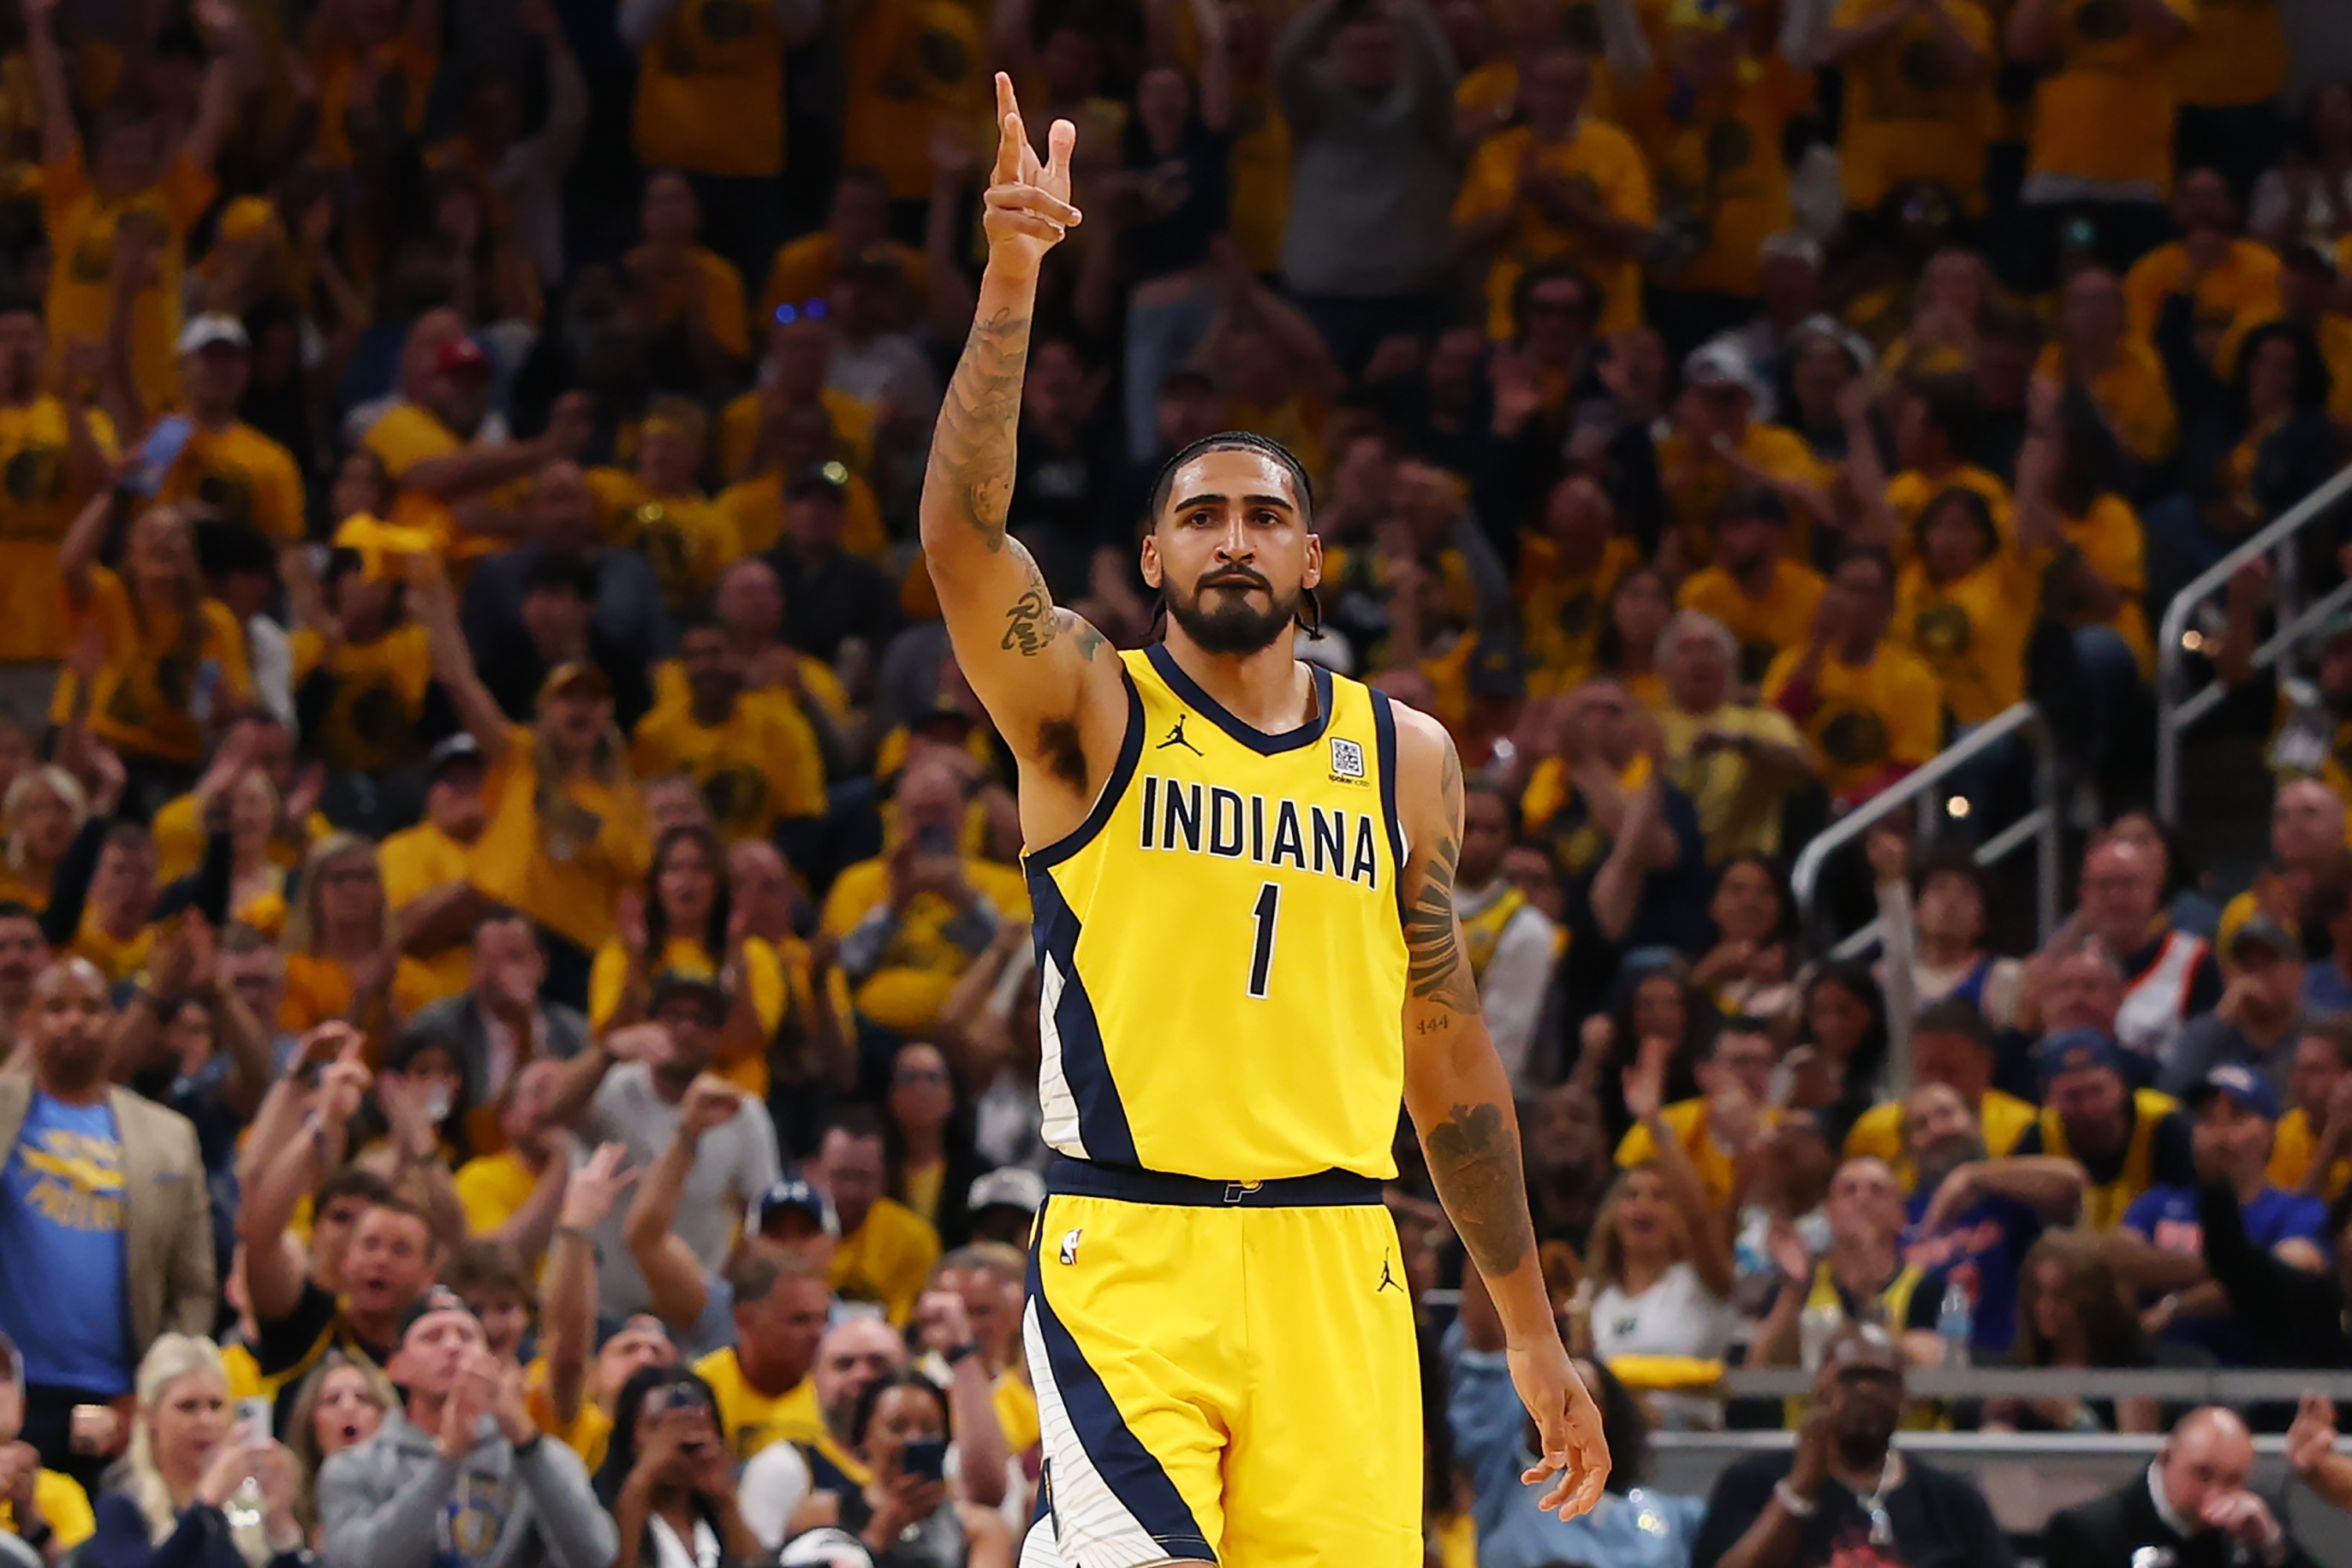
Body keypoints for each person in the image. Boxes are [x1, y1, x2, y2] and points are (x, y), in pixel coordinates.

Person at [915, 78, 1606, 1568]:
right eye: (1202, 516)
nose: (1234, 537)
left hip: (1341, 1264)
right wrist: (1014, 275)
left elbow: (1449, 1055)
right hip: (1132, 1250)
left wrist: (1532, 1330)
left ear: (1312, 562)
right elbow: (964, 544)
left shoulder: (1405, 758)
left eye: (1266, 516)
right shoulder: (1090, 707)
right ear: (1152, 560)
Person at [0, 958, 215, 1488]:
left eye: (91, 1008)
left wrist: (155, 1393)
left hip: (122, 1399)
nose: (74, 1021)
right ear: (27, 1022)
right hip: (10, 1397)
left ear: (115, 1023)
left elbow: (193, 1287)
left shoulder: (170, 1137)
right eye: (56, 1007)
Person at [314, 1287, 615, 1568]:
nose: (453, 1347)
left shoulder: (534, 1454)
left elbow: (595, 1555)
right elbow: (359, 1561)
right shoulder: (356, 1466)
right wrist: (446, 1462)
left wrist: (528, 1446)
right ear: (396, 1368)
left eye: (467, 1336)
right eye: (432, 1337)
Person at [1689, 1324, 2014, 1568]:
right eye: (1851, 1376)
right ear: (1819, 1388)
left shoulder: (1952, 1501)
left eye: (1882, 1378)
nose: (1866, 1390)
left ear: (1905, 1397)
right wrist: (1799, 1491)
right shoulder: (1753, 1483)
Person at [79, 1334, 307, 1568]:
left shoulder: (243, 1506)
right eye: (188, 1406)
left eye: (216, 1405)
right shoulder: (121, 1504)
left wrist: (280, 1526)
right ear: (150, 1416)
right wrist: (207, 1502)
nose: (206, 1420)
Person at [2042, 1405, 2317, 1568]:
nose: (2215, 1494)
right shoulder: (2085, 1533)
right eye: (2202, 1475)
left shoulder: (2260, 1523)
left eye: (2233, 1480)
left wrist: (2272, 1545)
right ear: (2165, 1458)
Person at [2012, 1029, 2196, 1230]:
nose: (2088, 1108)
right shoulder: (2042, 1134)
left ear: (2122, 1085)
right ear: (2048, 1099)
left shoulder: (2163, 1123)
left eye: (2098, 1091)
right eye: (2072, 1096)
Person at [591, 1366, 764, 1568]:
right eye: (659, 1427)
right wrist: (642, 1481)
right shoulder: (600, 1513)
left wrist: (726, 1502)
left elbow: (757, 1563)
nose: (681, 1438)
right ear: (628, 1437)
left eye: (696, 1425)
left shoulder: (719, 1518)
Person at [691, 1249, 829, 1461]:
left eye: (824, 1320)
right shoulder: (701, 1389)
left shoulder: (836, 1390)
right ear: (745, 1319)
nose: (818, 1335)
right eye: (800, 1320)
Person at [0, 1334, 95, 1563]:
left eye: (3, 1376)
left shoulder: (61, 1494)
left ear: (22, 1409)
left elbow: (81, 1564)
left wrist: (30, 1519)